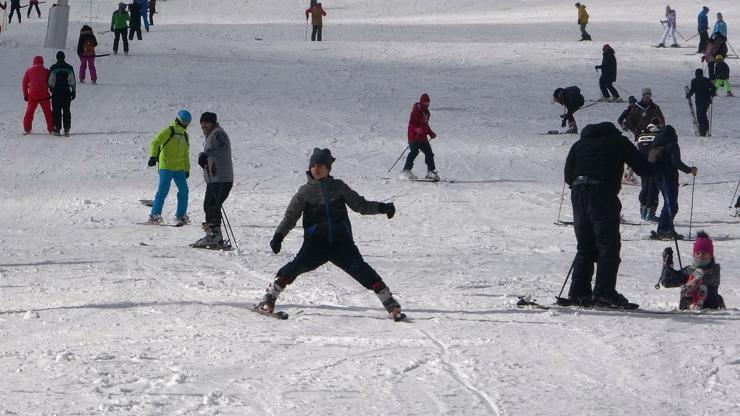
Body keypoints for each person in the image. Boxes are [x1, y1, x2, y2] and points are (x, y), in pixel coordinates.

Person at [259, 148, 402, 320]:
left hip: (342, 243)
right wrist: (279, 236)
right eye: (312, 165)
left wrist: (382, 207)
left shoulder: (339, 187)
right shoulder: (304, 192)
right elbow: (290, 217)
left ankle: (390, 303)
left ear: (328, 168)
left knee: (361, 270)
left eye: (320, 165)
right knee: (294, 268)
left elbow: (360, 205)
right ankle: (269, 297)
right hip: (316, 244)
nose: (315, 169)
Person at [563, 122, 661, 308]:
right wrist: (662, 165)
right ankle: (603, 292)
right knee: (608, 244)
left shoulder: (579, 144)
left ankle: (578, 293)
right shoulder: (618, 141)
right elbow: (642, 168)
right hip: (602, 192)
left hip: (578, 192)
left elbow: (568, 175)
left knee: (585, 246)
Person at [647, 125, 697, 240]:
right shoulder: (672, 145)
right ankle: (664, 230)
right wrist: (690, 170)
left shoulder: (655, 145)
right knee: (671, 205)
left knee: (670, 204)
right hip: (668, 177)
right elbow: (676, 162)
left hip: (658, 177)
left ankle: (666, 228)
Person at [192, 112, 234, 248]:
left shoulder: (217, 133)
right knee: (210, 205)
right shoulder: (211, 134)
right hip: (216, 177)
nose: (203, 125)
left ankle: (215, 236)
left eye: (206, 122)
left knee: (212, 205)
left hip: (221, 178)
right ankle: (213, 234)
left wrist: (206, 154)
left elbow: (221, 148)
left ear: (212, 123)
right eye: (202, 123)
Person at [146, 110, 191, 225]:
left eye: (188, 123)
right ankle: (154, 215)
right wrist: (153, 156)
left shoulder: (185, 135)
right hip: (166, 166)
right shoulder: (169, 131)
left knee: (184, 191)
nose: (186, 125)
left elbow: (186, 154)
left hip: (180, 168)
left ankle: (180, 215)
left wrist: (186, 169)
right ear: (179, 120)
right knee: (163, 190)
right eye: (185, 122)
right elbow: (155, 142)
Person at [660, 231, 725, 310]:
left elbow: (704, 279)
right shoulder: (689, 269)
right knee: (685, 286)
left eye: (704, 253)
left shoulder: (713, 269)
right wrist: (667, 264)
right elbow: (667, 282)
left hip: (709, 303)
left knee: (701, 286)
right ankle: (691, 305)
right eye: (698, 253)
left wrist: (691, 283)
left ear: (710, 255)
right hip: (688, 305)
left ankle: (697, 304)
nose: (701, 256)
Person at [401, 93, 439, 180]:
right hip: (414, 136)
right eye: (425, 103)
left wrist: (431, 133)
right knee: (414, 152)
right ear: (421, 102)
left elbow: (425, 125)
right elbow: (411, 124)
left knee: (429, 153)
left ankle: (431, 171)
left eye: (428, 103)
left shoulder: (427, 113)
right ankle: (406, 171)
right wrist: (416, 129)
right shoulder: (415, 111)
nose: (427, 104)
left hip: (422, 137)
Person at [21, 55, 53, 134]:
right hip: (44, 95)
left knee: (29, 112)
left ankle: (27, 128)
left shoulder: (28, 71)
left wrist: (25, 95)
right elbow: (50, 82)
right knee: (48, 112)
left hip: (33, 95)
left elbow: (24, 83)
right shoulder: (46, 71)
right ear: (42, 62)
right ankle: (51, 128)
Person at [635, 124, 661, 221]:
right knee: (653, 189)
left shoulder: (640, 137)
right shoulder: (657, 136)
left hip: (642, 165)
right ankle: (650, 213)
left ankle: (643, 210)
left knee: (644, 187)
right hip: (654, 165)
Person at [48, 51, 76, 137]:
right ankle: (66, 128)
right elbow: (72, 82)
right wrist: (73, 92)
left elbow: (50, 82)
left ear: (56, 58)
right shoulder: (69, 68)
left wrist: (51, 88)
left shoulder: (53, 68)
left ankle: (57, 128)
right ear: (64, 57)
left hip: (56, 93)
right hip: (66, 92)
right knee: (66, 110)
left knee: (56, 111)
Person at [687, 68, 717, 137]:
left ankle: (702, 131)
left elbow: (692, 90)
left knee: (700, 116)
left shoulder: (694, 81)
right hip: (707, 101)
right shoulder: (707, 80)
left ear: (696, 74)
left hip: (699, 101)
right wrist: (711, 93)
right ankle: (706, 130)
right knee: (703, 115)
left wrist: (688, 95)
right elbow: (714, 88)